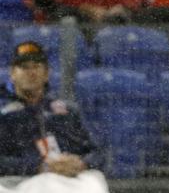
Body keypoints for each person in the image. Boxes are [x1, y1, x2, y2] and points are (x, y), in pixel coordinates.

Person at [0, 41, 107, 193]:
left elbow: (97, 153)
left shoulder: (66, 110)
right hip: (19, 182)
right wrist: (40, 166)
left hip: (66, 178)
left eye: (36, 67)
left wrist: (80, 163)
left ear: (46, 74)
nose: (31, 73)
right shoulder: (3, 112)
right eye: (24, 67)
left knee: (94, 181)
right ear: (12, 74)